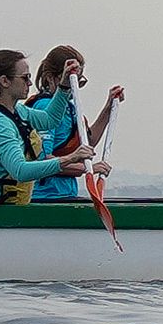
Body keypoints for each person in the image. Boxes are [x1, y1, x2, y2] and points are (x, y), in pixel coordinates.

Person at [0, 49, 99, 204]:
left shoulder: (19, 111)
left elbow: (50, 120)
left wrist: (63, 85)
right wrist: (70, 158)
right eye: (25, 78)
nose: (30, 83)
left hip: (14, 206)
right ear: (5, 81)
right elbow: (20, 171)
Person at [23, 45, 122, 205]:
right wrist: (88, 169)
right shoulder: (44, 108)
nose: (74, 88)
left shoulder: (70, 107)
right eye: (71, 81)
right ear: (50, 78)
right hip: (44, 198)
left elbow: (87, 142)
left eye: (79, 82)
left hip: (65, 195)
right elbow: (42, 160)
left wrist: (109, 108)